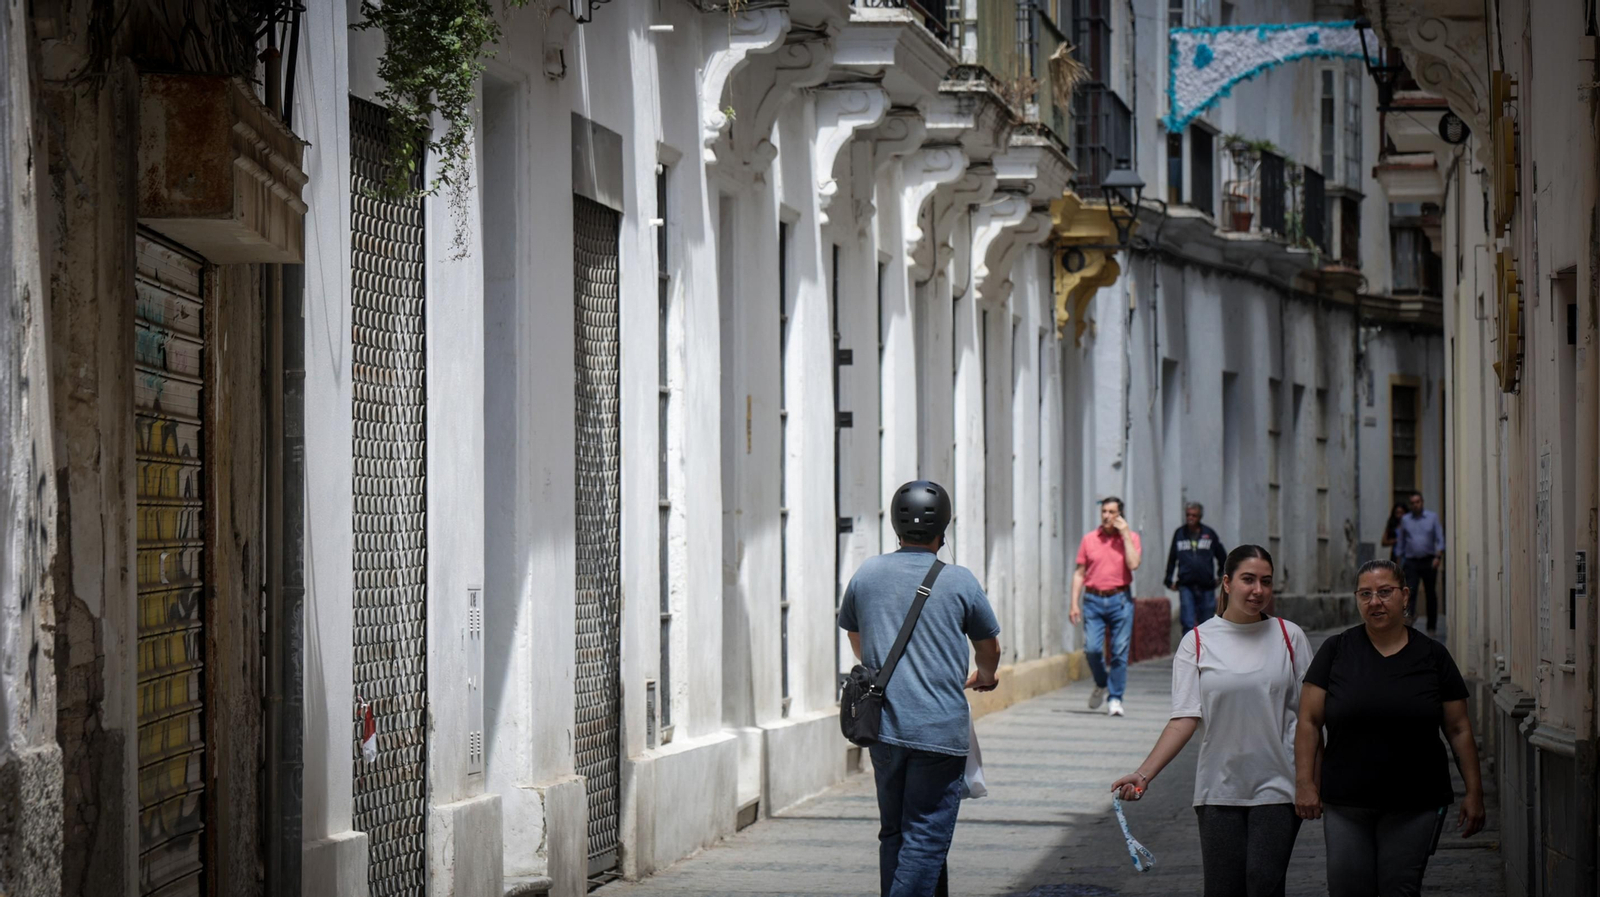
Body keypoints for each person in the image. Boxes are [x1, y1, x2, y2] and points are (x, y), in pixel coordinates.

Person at [1111, 546, 1313, 897]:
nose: (1257, 590)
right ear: (1226, 582)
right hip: (1219, 790)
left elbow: (1310, 717)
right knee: (1222, 889)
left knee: (1265, 884)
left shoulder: (1289, 636)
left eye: (1266, 582)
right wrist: (1144, 774)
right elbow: (1184, 718)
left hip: (1279, 786)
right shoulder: (1198, 641)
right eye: (1248, 580)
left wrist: (1310, 781)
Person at [838, 480, 1002, 897]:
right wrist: (985, 675)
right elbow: (989, 647)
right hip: (938, 731)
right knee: (926, 839)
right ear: (942, 530)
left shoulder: (867, 573)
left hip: (883, 729)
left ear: (895, 526)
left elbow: (857, 638)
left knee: (895, 834)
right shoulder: (960, 580)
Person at [1294, 559, 1485, 897]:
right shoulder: (1336, 651)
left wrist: (1474, 792)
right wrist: (1305, 784)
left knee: (1400, 888)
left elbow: (1458, 729)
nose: (1375, 602)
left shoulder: (1433, 656)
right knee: (1347, 887)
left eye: (1384, 592)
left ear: (1405, 595)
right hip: (1346, 803)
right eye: (1365, 594)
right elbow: (1309, 721)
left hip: (1415, 801)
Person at [1069, 497, 1142, 716]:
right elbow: (1079, 573)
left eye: (1112, 512)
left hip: (1120, 600)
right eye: (1104, 512)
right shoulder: (1090, 539)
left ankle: (1115, 698)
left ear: (1120, 515)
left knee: (1119, 651)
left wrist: (1126, 534)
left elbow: (1134, 564)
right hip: (1093, 601)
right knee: (1091, 649)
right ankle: (1101, 683)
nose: (1107, 516)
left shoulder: (1131, 538)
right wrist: (1074, 603)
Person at [1163, 502, 1228, 634]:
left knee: (1207, 624)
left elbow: (1222, 556)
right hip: (1186, 586)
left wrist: (1221, 575)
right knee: (1187, 623)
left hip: (1206, 587)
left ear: (1200, 517)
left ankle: (1206, 653)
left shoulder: (1209, 534)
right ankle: (1189, 653)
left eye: (1194, 515)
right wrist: (1168, 579)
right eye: (1188, 515)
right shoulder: (1180, 534)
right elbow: (1172, 557)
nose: (1190, 518)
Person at [1395, 491, 1446, 632]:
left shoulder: (1432, 518)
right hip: (1411, 562)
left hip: (1429, 561)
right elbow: (1401, 542)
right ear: (1410, 505)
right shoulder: (1405, 520)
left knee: (1431, 594)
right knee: (1410, 593)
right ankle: (1408, 625)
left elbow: (1440, 539)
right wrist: (1399, 564)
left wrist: (1438, 557)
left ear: (1422, 502)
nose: (1415, 505)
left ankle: (1431, 627)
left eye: (1417, 502)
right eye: (1412, 503)